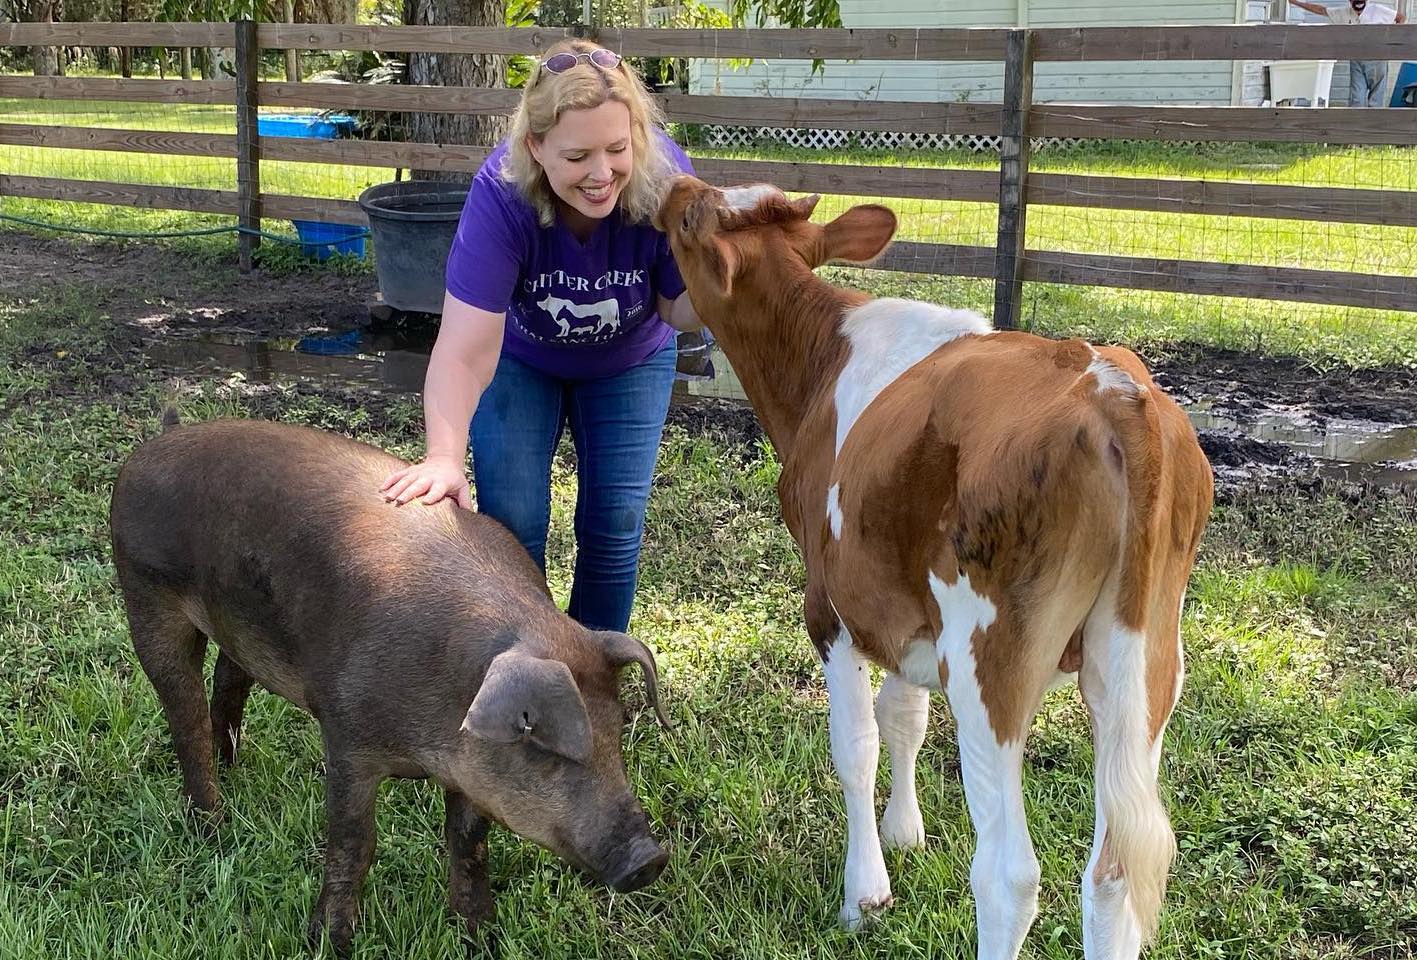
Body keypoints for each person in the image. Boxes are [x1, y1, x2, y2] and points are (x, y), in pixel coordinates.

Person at [380, 39, 701, 633]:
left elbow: (675, 307)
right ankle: (525, 669)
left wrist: (722, 292)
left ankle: (595, 676)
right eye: (577, 156)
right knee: (513, 522)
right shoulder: (502, 194)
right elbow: (464, 348)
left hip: (631, 358)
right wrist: (444, 458)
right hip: (520, 358)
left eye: (617, 148)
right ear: (535, 146)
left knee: (616, 522)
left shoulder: (666, 181)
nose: (602, 174)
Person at [1288, 0, 1406, 107]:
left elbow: (1400, 18)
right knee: (1357, 99)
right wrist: (1296, 3)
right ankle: (1355, 127)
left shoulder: (1378, 10)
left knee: (1376, 100)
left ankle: (1373, 127)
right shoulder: (1344, 13)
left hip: (1377, 59)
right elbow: (1321, 10)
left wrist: (1391, 42)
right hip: (1356, 60)